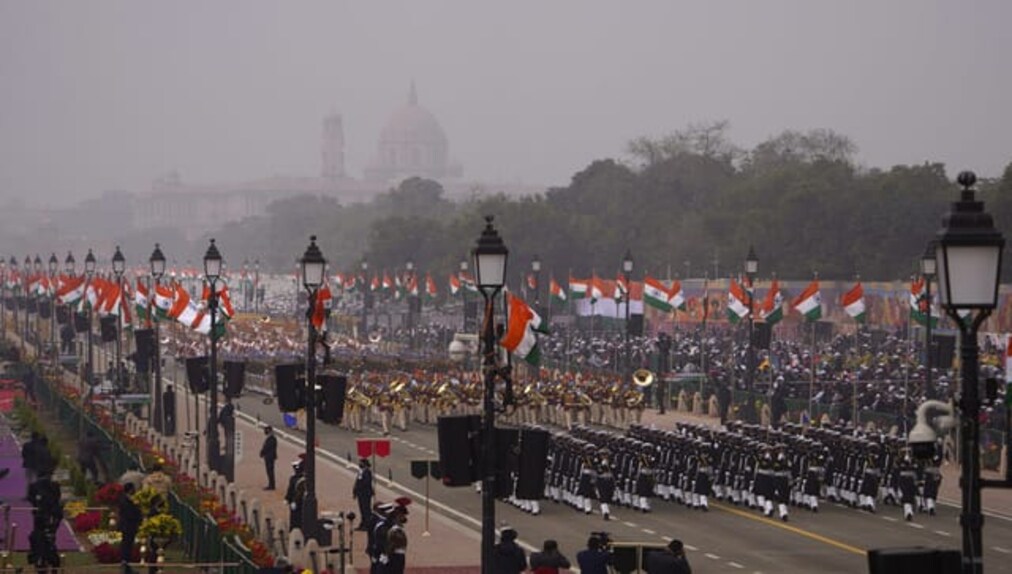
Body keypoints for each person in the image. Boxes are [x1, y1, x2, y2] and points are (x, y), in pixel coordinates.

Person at [118, 482, 142, 571]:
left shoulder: (127, 499)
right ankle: (125, 562)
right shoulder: (125, 500)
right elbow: (130, 513)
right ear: (130, 490)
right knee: (127, 544)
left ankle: (127, 563)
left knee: (128, 544)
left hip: (129, 525)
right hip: (128, 525)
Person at [353, 458, 374, 530]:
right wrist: (355, 491)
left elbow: (366, 483)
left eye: (361, 463)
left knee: (366, 510)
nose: (359, 464)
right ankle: (363, 523)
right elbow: (357, 482)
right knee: (362, 509)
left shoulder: (367, 472)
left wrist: (359, 488)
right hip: (360, 494)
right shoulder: (360, 471)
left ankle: (368, 524)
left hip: (365, 494)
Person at [259, 425, 278, 490]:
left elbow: (267, 447)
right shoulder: (270, 438)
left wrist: (262, 452)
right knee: (269, 471)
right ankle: (271, 484)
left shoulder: (272, 438)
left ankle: (271, 485)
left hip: (270, 457)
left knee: (270, 471)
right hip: (268, 457)